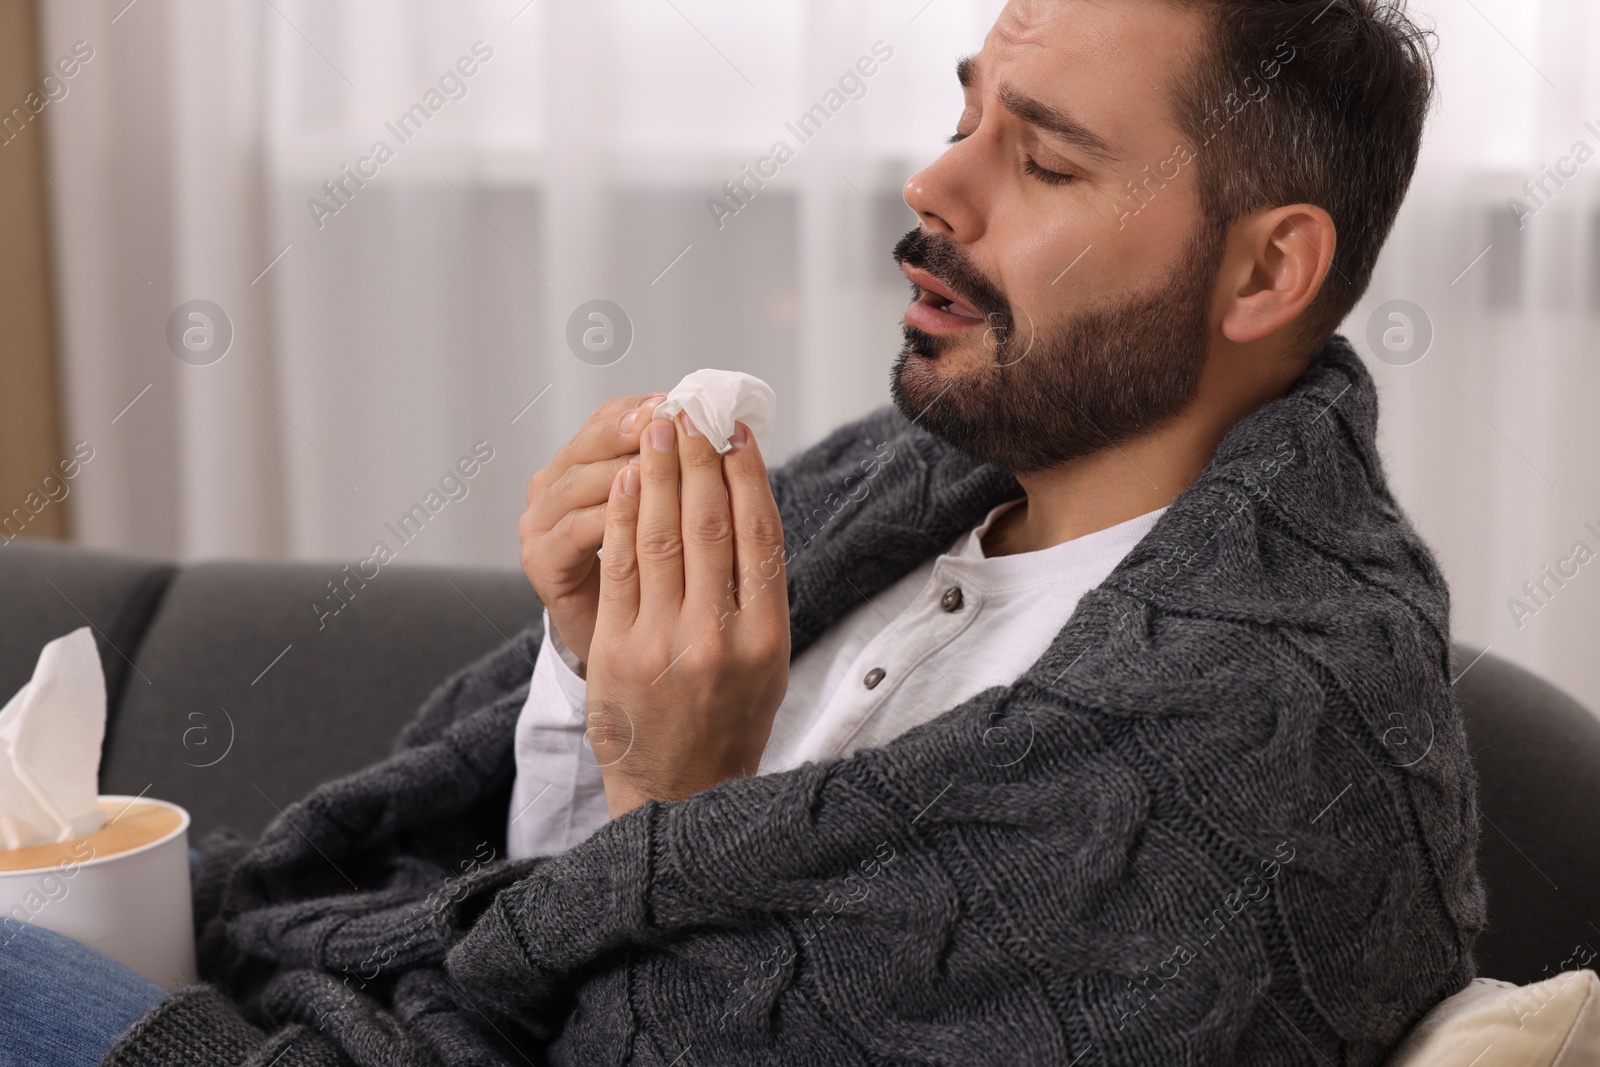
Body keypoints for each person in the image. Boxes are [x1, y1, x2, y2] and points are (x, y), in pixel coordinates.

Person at [4, 0, 1484, 1064]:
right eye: (961, 115)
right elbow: (468, 897)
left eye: (1044, 162)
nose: (933, 185)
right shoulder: (896, 473)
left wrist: (676, 800)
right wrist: (585, 682)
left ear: (1266, 271)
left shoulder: (1277, 731)